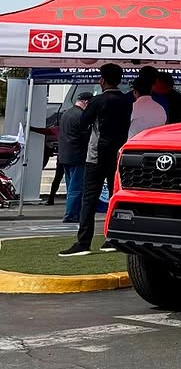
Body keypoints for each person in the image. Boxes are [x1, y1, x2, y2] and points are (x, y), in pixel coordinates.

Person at [59, 64, 132, 258]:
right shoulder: (127, 101)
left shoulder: (98, 101)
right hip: (118, 153)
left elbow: (83, 123)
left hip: (97, 154)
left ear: (102, 80)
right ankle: (113, 238)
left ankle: (84, 242)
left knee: (89, 198)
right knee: (115, 196)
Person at [56, 90, 94, 224]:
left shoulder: (66, 113)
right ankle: (71, 215)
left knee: (70, 186)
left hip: (65, 155)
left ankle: (72, 212)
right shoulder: (81, 116)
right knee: (76, 188)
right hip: (78, 156)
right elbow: (85, 137)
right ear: (86, 102)